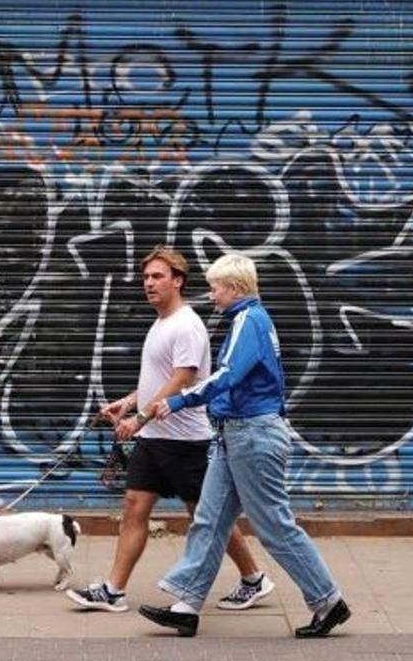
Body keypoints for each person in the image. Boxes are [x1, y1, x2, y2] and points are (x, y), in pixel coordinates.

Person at [135, 254, 349, 639]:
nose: (211, 294)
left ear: (234, 288)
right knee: (209, 518)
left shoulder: (249, 321)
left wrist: (177, 400)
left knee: (274, 526)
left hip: (253, 434)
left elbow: (227, 376)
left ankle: (327, 600)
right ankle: (186, 604)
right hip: (233, 434)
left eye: (215, 287)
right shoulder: (246, 320)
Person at [66, 244, 267, 613]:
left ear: (178, 281)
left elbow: (184, 377)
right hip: (155, 437)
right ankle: (113, 590)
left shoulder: (187, 324)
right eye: (145, 277)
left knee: (206, 516)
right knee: (134, 507)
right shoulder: (161, 323)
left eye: (157, 276)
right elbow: (159, 376)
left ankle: (253, 578)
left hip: (184, 439)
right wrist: (129, 402)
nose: (149, 283)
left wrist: (139, 418)